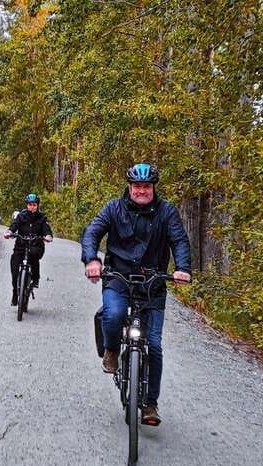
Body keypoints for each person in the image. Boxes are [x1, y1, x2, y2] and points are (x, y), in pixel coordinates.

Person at [81, 163, 191, 426]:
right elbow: (92, 232)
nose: (141, 190)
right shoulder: (113, 208)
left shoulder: (167, 212)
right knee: (113, 314)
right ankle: (110, 350)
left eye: (146, 186)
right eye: (137, 186)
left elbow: (179, 241)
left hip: (153, 283)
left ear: (153, 188)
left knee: (153, 344)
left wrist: (183, 268)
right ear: (129, 187)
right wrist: (91, 260)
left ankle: (150, 404)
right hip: (118, 277)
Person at [4, 193, 53, 306]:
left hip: (36, 245)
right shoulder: (21, 216)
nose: (32, 207)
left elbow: (46, 229)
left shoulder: (42, 218)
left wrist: (48, 236)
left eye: (34, 205)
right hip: (21, 246)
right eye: (30, 205)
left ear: (37, 206)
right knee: (15, 269)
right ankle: (15, 293)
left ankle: (35, 278)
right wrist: (9, 232)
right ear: (27, 205)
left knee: (34, 254)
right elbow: (14, 226)